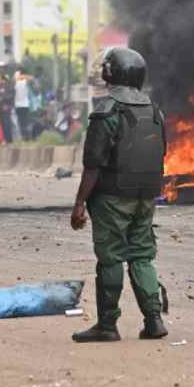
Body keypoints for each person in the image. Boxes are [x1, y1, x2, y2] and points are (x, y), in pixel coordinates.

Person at [70, 47, 169, 343]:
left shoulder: (106, 111)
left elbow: (93, 165)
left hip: (112, 198)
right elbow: (161, 152)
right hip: (146, 196)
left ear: (109, 73)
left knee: (111, 258)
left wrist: (79, 204)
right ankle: (154, 321)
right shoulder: (154, 110)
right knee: (141, 256)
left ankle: (107, 325)